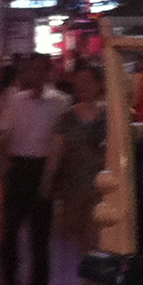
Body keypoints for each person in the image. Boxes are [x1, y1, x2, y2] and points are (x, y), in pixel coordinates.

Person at [0, 56, 68, 285]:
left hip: (43, 168)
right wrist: (3, 154)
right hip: (19, 168)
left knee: (39, 238)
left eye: (39, 70)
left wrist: (53, 178)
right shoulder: (16, 100)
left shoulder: (59, 102)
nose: (34, 75)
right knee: (9, 236)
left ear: (48, 73)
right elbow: (2, 132)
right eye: (30, 70)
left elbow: (61, 142)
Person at [45, 63, 107, 256]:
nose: (82, 86)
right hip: (74, 190)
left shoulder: (110, 117)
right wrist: (47, 182)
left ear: (99, 84)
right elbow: (56, 153)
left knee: (94, 239)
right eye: (78, 81)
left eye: (87, 81)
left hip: (102, 190)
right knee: (83, 242)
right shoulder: (67, 118)